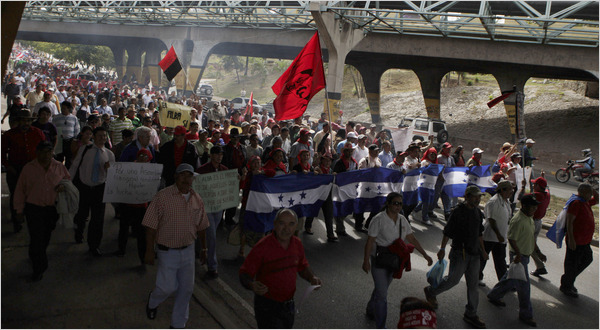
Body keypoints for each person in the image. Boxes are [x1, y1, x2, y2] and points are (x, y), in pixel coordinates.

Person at [143, 163, 209, 329]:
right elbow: (150, 226)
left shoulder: (196, 198)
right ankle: (153, 301)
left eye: (189, 176)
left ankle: (178, 324)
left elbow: (202, 226)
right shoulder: (162, 197)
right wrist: (149, 250)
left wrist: (204, 248)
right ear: (175, 177)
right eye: (182, 175)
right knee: (166, 287)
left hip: (188, 251)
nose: (186, 179)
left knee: (186, 290)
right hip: (167, 252)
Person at [239, 208, 323, 329]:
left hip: (288, 306)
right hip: (267, 307)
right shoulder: (263, 246)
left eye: (291, 224)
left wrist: (312, 277)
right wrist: (252, 285)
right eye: (281, 223)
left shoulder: (297, 244)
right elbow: (244, 273)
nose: (286, 229)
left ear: (296, 226)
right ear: (274, 224)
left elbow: (302, 267)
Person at [362, 193, 433, 328]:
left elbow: (411, 239)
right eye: (395, 203)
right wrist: (366, 261)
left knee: (381, 288)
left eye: (400, 203)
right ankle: (381, 326)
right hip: (380, 259)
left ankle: (371, 309)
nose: (398, 206)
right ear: (388, 203)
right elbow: (370, 241)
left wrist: (425, 255)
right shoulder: (378, 219)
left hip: (395, 261)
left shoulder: (402, 220)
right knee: (383, 295)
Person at [424, 186, 488, 329]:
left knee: (473, 285)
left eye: (479, 197)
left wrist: (483, 251)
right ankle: (431, 291)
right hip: (460, 253)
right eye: (475, 197)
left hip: (475, 254)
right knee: (453, 280)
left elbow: (479, 234)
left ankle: (471, 313)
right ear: (467, 196)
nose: (478, 199)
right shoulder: (458, 212)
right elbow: (448, 232)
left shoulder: (478, 213)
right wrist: (441, 249)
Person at [13, 141, 71, 281]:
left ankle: (37, 256)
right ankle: (38, 268)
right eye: (42, 152)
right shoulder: (28, 168)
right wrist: (19, 210)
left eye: (48, 152)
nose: (46, 155)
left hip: (51, 210)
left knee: (45, 236)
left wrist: (63, 187)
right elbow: (20, 190)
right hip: (33, 208)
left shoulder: (58, 167)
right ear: (37, 153)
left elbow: (67, 180)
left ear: (52, 153)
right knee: (36, 239)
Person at [486, 194, 546, 327]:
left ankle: (494, 295)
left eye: (536, 206)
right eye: (532, 207)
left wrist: (538, 252)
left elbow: (530, 237)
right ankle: (526, 314)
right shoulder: (518, 220)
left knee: (510, 279)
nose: (535, 209)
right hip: (519, 256)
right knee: (524, 288)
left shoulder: (529, 218)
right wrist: (518, 255)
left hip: (525, 254)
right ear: (524, 206)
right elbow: (511, 238)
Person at [69, 127, 115, 255]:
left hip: (100, 189)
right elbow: (75, 165)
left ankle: (94, 245)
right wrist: (68, 182)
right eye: (99, 136)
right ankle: (79, 232)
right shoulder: (85, 149)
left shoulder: (109, 154)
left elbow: (113, 176)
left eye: (104, 136)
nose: (102, 138)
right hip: (84, 187)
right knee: (82, 215)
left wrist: (108, 169)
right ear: (93, 137)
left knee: (97, 219)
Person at [2, 109, 46, 233]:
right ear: (19, 121)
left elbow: (45, 149)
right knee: (15, 196)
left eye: (28, 120)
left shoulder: (38, 133)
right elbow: (2, 152)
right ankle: (16, 220)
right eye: (23, 120)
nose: (25, 123)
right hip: (15, 170)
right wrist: (8, 166)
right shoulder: (9, 134)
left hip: (34, 170)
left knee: (33, 195)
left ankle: (31, 218)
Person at [560, 182, 598, 298]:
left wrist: (593, 189)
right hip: (576, 240)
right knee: (572, 263)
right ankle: (566, 285)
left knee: (587, 258)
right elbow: (570, 222)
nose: (591, 195)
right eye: (589, 193)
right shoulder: (576, 203)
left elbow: (597, 199)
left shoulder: (585, 202)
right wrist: (571, 239)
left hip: (585, 241)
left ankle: (569, 279)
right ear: (583, 193)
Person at [196, 146, 229, 279]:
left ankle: (200, 249)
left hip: (219, 207)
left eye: (221, 154)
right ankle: (212, 266)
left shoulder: (225, 170)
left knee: (210, 234)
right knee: (212, 236)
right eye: (217, 154)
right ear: (211, 155)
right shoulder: (202, 170)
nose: (219, 157)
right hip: (206, 208)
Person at [114, 148, 152, 261]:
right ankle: (121, 249)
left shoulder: (151, 171)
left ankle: (142, 255)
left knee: (141, 232)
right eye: (141, 155)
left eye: (146, 156)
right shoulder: (129, 168)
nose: (143, 158)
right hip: (127, 204)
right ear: (137, 156)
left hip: (141, 206)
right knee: (124, 228)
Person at [478, 180, 513, 286]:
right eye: (509, 189)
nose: (511, 192)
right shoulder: (494, 202)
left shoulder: (506, 202)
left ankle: (503, 283)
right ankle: (477, 277)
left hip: (501, 237)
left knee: (500, 261)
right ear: (502, 190)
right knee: (483, 258)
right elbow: (491, 220)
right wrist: (498, 234)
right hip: (490, 236)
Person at [332, 142, 359, 236]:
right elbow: (335, 173)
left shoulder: (354, 162)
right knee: (340, 206)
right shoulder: (339, 162)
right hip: (341, 188)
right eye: (347, 151)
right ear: (344, 152)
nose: (349, 153)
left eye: (351, 151)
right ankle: (340, 228)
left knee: (349, 206)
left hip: (350, 188)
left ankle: (339, 221)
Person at [530, 174, 551, 277]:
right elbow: (546, 190)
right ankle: (539, 265)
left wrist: (524, 186)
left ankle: (540, 265)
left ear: (538, 186)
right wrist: (543, 178)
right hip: (539, 222)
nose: (533, 186)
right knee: (529, 244)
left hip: (532, 222)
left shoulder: (537, 195)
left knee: (529, 245)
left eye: (535, 184)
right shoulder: (547, 195)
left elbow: (526, 198)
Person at [53, 101, 80, 169]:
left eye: (64, 108)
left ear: (68, 109)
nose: (62, 110)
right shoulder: (56, 117)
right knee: (58, 159)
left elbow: (77, 130)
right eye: (62, 108)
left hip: (70, 141)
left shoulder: (74, 118)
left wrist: (75, 140)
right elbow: (53, 128)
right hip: (59, 142)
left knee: (69, 160)